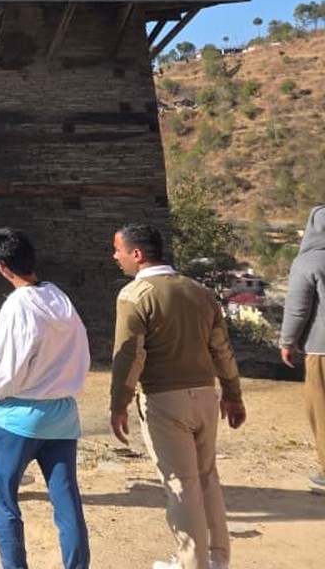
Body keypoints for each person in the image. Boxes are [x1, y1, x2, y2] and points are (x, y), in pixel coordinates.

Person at [110, 222, 245, 569]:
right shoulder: (200, 292)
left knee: (180, 485)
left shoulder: (133, 296)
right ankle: (217, 559)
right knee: (206, 478)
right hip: (205, 396)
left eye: (119, 250)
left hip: (163, 400)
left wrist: (119, 403)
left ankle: (191, 563)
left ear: (137, 254)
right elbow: (222, 349)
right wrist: (232, 393)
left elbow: (130, 354)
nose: (115, 257)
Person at [0, 228, 91, 569]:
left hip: (18, 419)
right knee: (67, 500)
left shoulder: (17, 306)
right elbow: (81, 352)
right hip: (63, 415)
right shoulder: (60, 299)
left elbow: (7, 369)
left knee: (3, 498)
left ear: (0, 267)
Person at [279, 204, 325, 493]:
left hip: (322, 350)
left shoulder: (309, 262)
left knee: (321, 411)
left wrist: (287, 341)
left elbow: (297, 308)